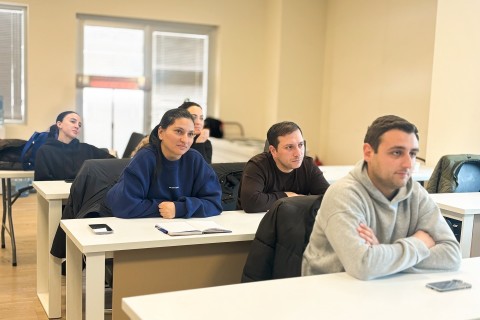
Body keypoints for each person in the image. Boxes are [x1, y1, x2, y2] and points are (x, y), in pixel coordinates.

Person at [302, 115, 461, 281]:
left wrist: (383, 254)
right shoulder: (343, 194)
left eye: (413, 154)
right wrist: (418, 243)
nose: (408, 164)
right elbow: (364, 265)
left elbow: (452, 255)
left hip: (386, 288)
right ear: (368, 152)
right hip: (328, 294)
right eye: (397, 152)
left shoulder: (416, 193)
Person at [105, 108, 222, 218]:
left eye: (190, 134)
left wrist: (179, 208)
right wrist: (166, 209)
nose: (185, 140)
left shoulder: (195, 159)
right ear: (161, 132)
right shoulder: (145, 158)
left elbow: (214, 203)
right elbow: (124, 206)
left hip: (182, 230)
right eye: (179, 132)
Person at [237, 121, 330, 213]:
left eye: (300, 145)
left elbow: (329, 198)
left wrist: (297, 199)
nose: (298, 153)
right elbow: (251, 203)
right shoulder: (257, 165)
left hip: (294, 221)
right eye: (289, 147)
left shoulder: (308, 165)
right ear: (273, 151)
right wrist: (287, 196)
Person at [34, 111, 114, 181]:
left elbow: (114, 162)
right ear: (59, 124)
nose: (77, 126)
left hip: (84, 195)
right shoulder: (45, 151)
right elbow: (42, 183)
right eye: (73, 121)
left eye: (79, 125)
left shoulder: (87, 149)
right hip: (58, 196)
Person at [130, 101, 213, 163]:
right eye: (193, 117)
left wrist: (200, 144)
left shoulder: (205, 143)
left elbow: (204, 173)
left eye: (201, 118)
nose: (199, 122)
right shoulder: (150, 150)